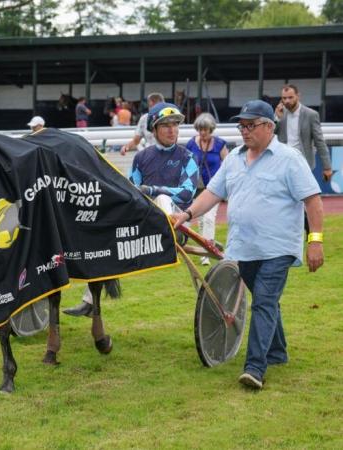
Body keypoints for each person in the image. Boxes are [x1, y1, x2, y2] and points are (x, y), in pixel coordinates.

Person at [172, 99, 324, 390]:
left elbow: (313, 201)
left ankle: (255, 367)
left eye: (250, 125)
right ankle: (277, 351)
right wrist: (188, 214)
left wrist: (315, 240)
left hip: (278, 248)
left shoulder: (289, 159)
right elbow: (213, 193)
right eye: (241, 125)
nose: (244, 131)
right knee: (266, 301)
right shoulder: (234, 159)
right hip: (243, 248)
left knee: (264, 301)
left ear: (269, 126)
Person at [64, 102, 198, 317]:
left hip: (177, 224)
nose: (172, 130)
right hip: (146, 225)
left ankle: (168, 233)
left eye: (175, 125)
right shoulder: (141, 158)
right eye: (166, 125)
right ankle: (89, 301)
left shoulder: (187, 157)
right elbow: (129, 192)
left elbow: (188, 193)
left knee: (162, 197)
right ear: (154, 129)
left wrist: (151, 189)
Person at [275, 84, 332, 232]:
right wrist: (276, 118)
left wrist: (327, 167)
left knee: (306, 198)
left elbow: (319, 141)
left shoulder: (311, 114)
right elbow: (271, 135)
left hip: (304, 164)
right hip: (283, 163)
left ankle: (310, 229)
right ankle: (293, 228)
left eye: (290, 97)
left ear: (298, 96)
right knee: (286, 199)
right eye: (284, 98)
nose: (287, 101)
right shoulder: (281, 115)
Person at [185, 112, 228, 265]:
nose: (203, 133)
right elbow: (186, 163)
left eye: (206, 130)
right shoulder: (191, 144)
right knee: (197, 220)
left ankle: (207, 254)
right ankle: (205, 244)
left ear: (212, 129)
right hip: (195, 188)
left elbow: (228, 165)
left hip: (213, 189)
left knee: (208, 219)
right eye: (200, 130)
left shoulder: (220, 144)